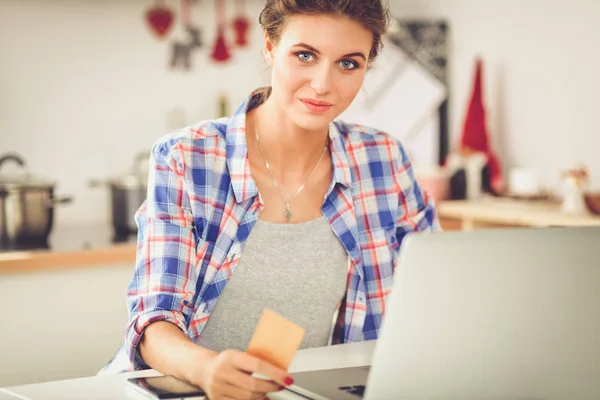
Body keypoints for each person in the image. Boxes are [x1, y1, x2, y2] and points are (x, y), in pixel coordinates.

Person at [101, 0, 441, 399]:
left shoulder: (382, 160)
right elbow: (152, 323)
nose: (322, 84)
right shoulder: (187, 158)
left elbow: (432, 293)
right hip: (184, 388)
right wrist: (208, 370)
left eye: (348, 63)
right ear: (269, 46)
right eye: (304, 55)